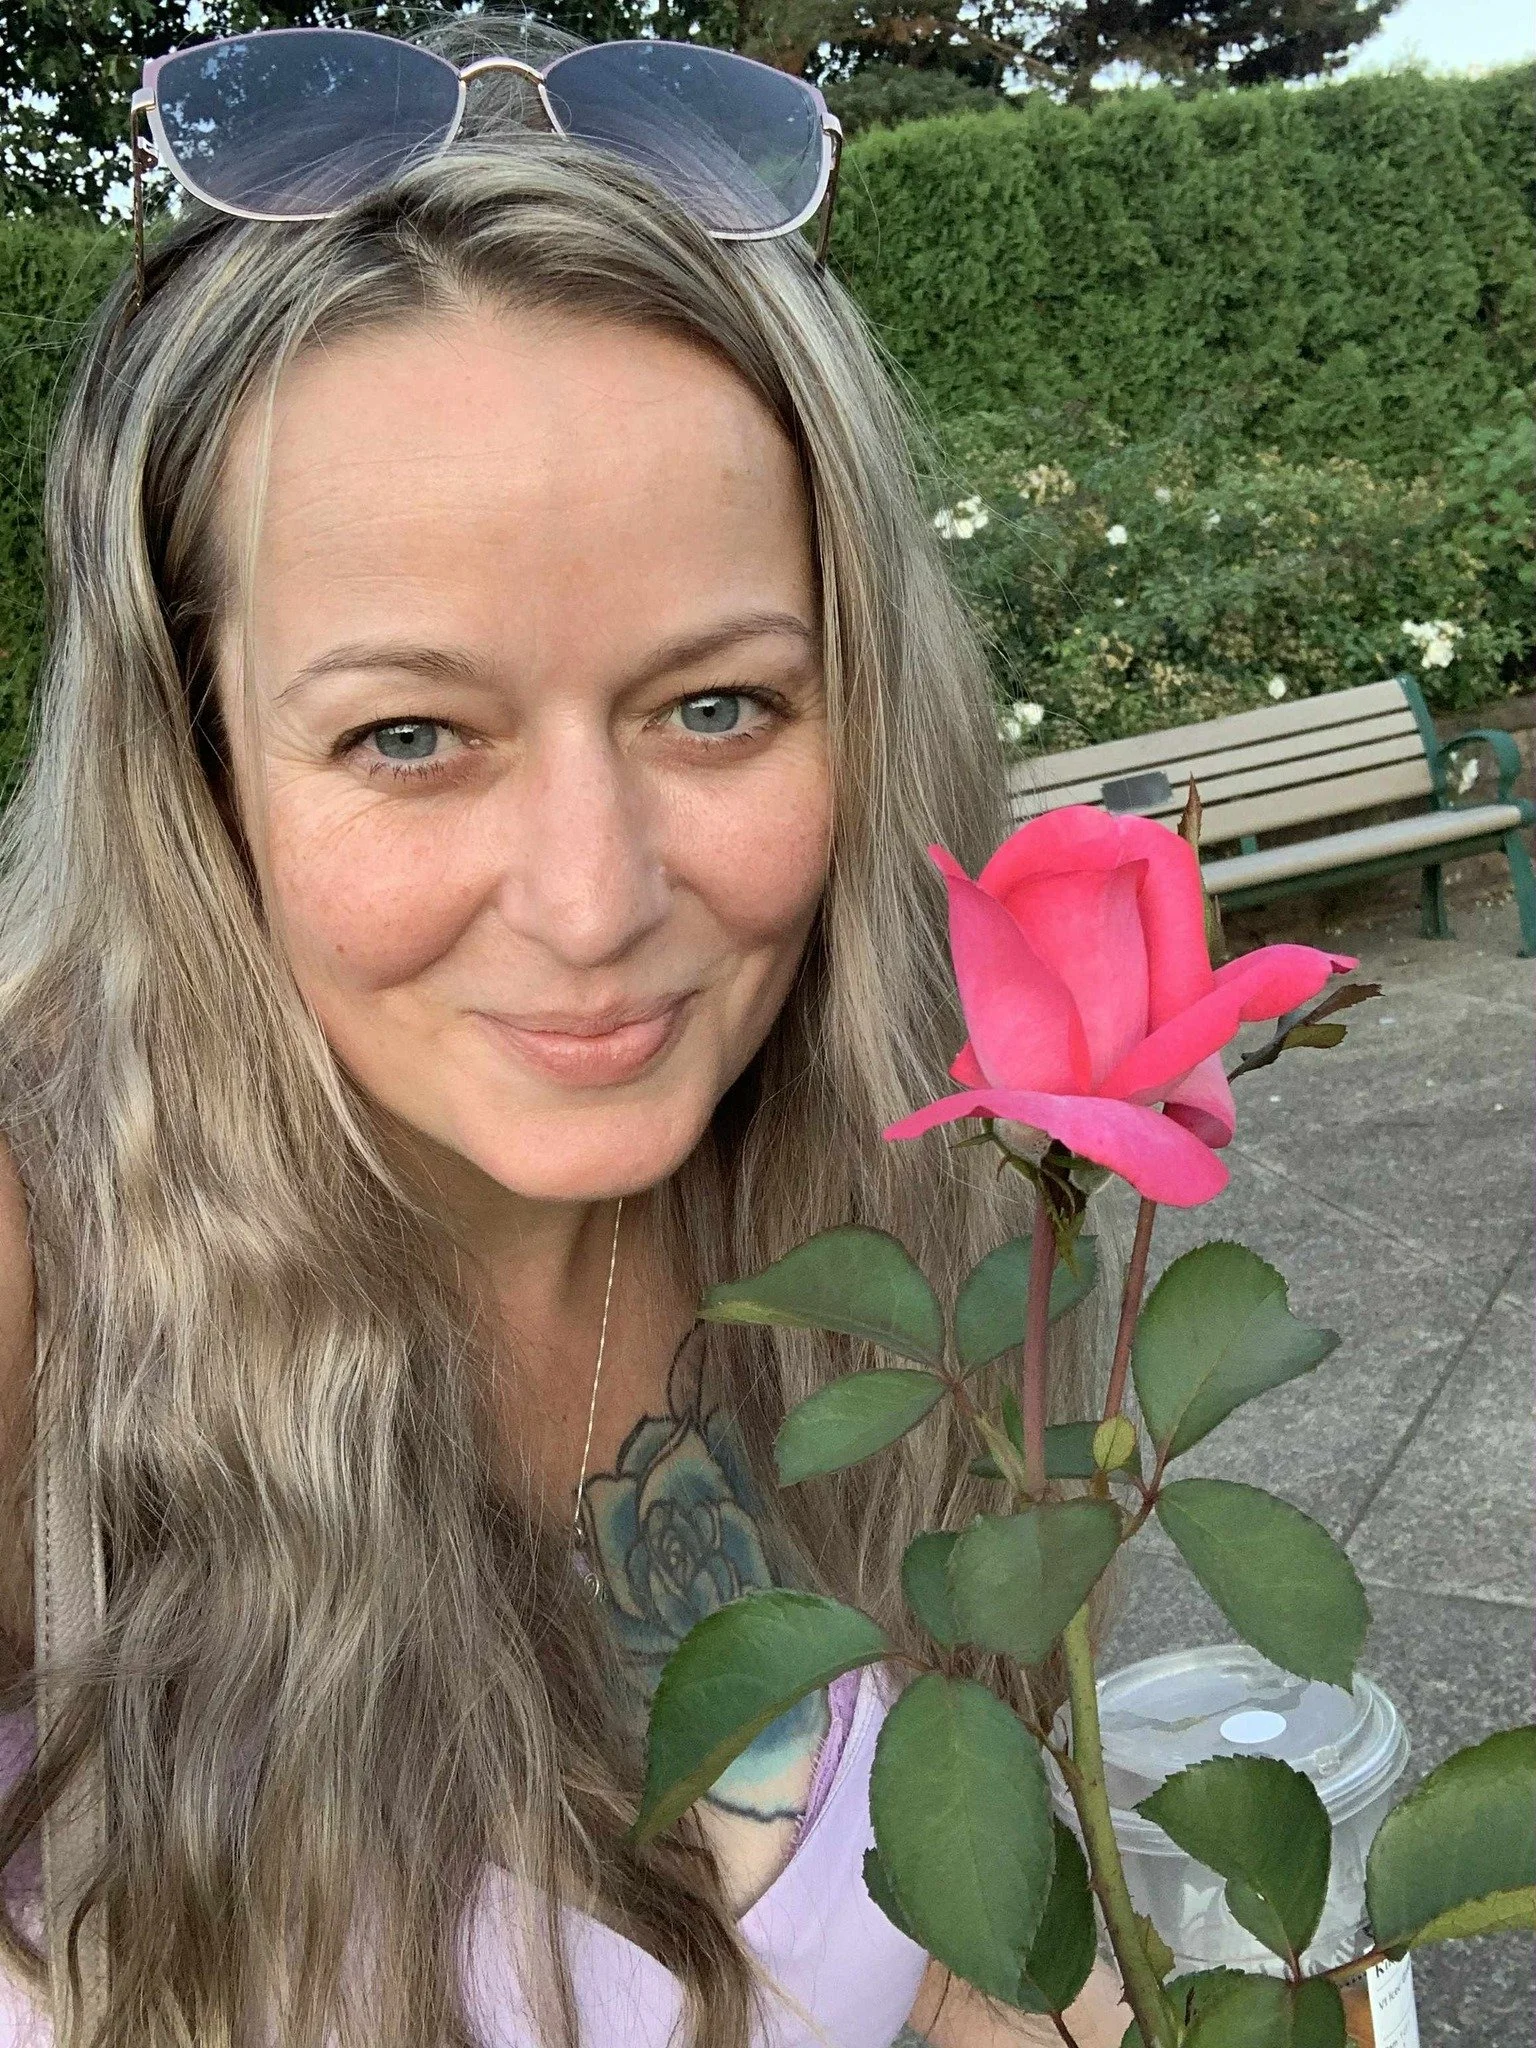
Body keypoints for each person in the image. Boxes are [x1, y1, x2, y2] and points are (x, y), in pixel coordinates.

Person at [0, 11, 1126, 2045]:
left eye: (719, 705)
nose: (597, 903)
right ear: (199, 760)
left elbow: (991, 1945)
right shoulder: (35, 1281)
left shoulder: (936, 1209)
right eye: (411, 736)